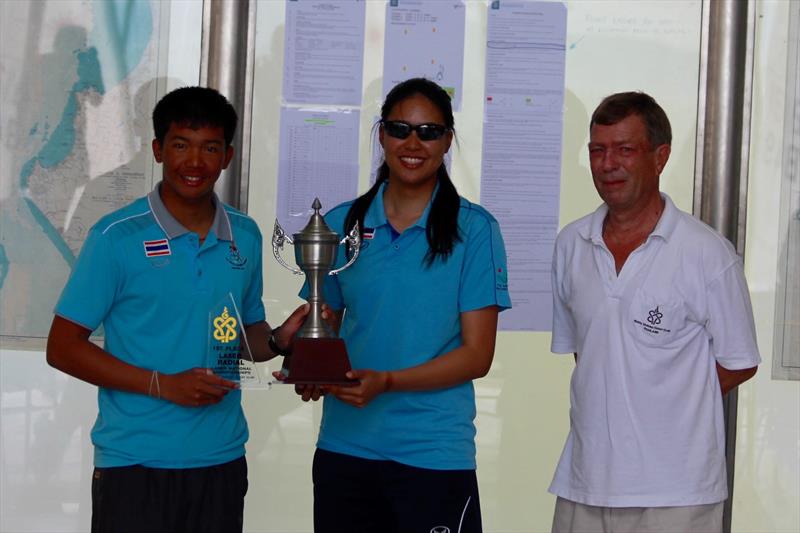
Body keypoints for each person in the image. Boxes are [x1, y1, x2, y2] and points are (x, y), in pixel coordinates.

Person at [46, 86, 306, 533]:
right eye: (181, 145)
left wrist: (279, 340)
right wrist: (162, 384)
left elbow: (240, 337)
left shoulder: (244, 235)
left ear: (226, 156)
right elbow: (63, 347)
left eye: (210, 148)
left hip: (221, 459)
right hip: (135, 462)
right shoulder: (116, 237)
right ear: (158, 150)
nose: (195, 162)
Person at [297, 78, 511, 533]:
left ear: (448, 140)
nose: (413, 143)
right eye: (399, 128)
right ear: (381, 134)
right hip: (345, 449)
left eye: (429, 131)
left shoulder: (475, 230)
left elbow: (478, 356)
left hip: (433, 454)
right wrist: (312, 367)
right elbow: (324, 326)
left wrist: (389, 381)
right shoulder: (340, 224)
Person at [549, 91, 760, 533]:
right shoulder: (571, 245)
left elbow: (739, 362)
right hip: (586, 483)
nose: (608, 165)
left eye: (625, 150)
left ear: (660, 157)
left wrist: (669, 400)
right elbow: (588, 354)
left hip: (677, 495)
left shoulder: (707, 254)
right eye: (598, 151)